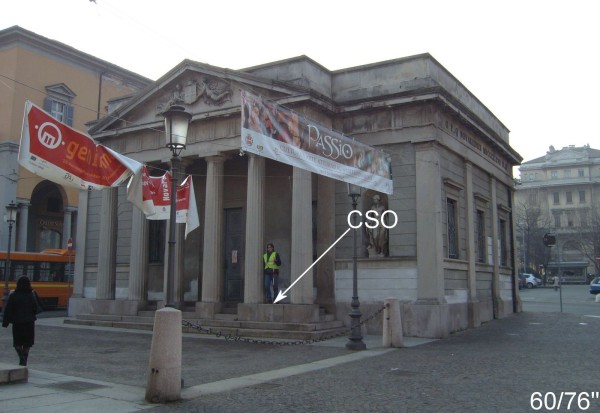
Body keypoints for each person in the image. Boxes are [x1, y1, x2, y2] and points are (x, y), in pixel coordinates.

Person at [2, 276, 43, 366]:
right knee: (27, 343)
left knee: (17, 342)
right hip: (29, 322)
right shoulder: (32, 294)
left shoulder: (13, 295)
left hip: (17, 323)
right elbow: (39, 306)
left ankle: (21, 358)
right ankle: (24, 361)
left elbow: (8, 310)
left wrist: (5, 323)